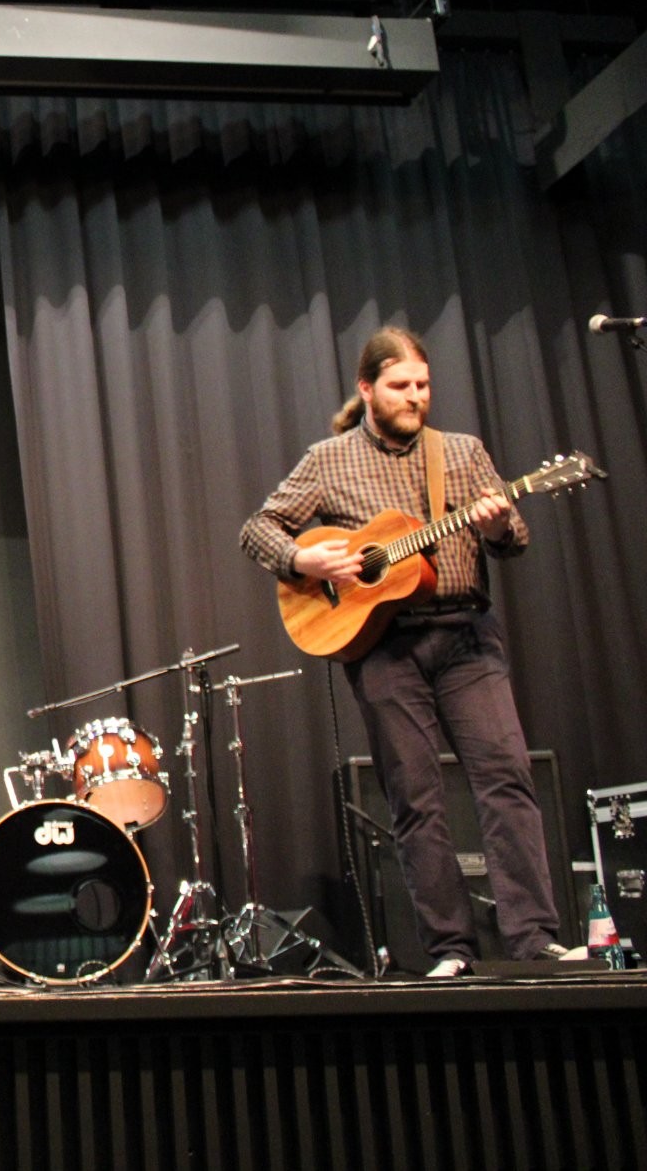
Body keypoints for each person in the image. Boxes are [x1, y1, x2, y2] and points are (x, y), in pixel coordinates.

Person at [240, 326, 578, 977]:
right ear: (367, 388)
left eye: (423, 385)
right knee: (416, 800)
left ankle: (534, 937)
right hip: (384, 649)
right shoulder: (328, 459)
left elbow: (516, 539)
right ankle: (451, 947)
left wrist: (500, 521)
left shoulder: (462, 451)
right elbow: (259, 528)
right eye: (400, 386)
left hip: (466, 636)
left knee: (506, 776)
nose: (416, 397)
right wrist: (301, 554)